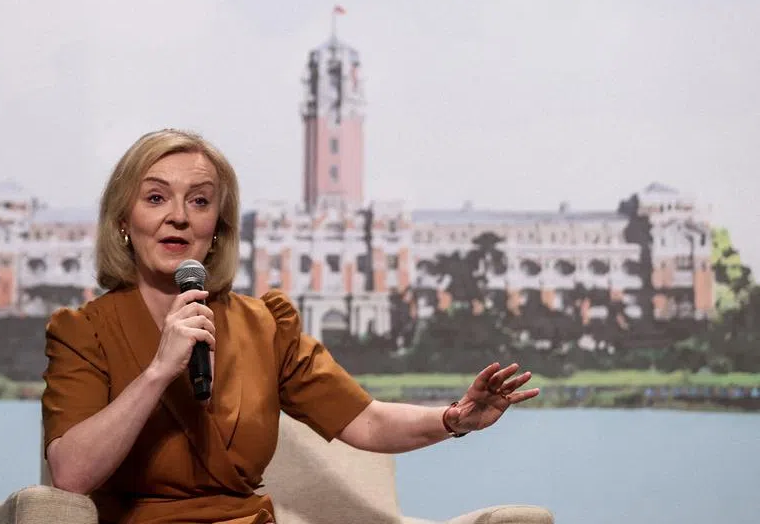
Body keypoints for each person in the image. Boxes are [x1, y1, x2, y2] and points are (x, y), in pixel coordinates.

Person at [41, 129, 539, 524]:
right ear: (124, 220)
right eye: (155, 198)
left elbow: (364, 420)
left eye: (199, 202)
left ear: (218, 228)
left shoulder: (264, 326)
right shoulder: (83, 332)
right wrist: (156, 374)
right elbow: (71, 474)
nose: (178, 218)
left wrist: (455, 419)